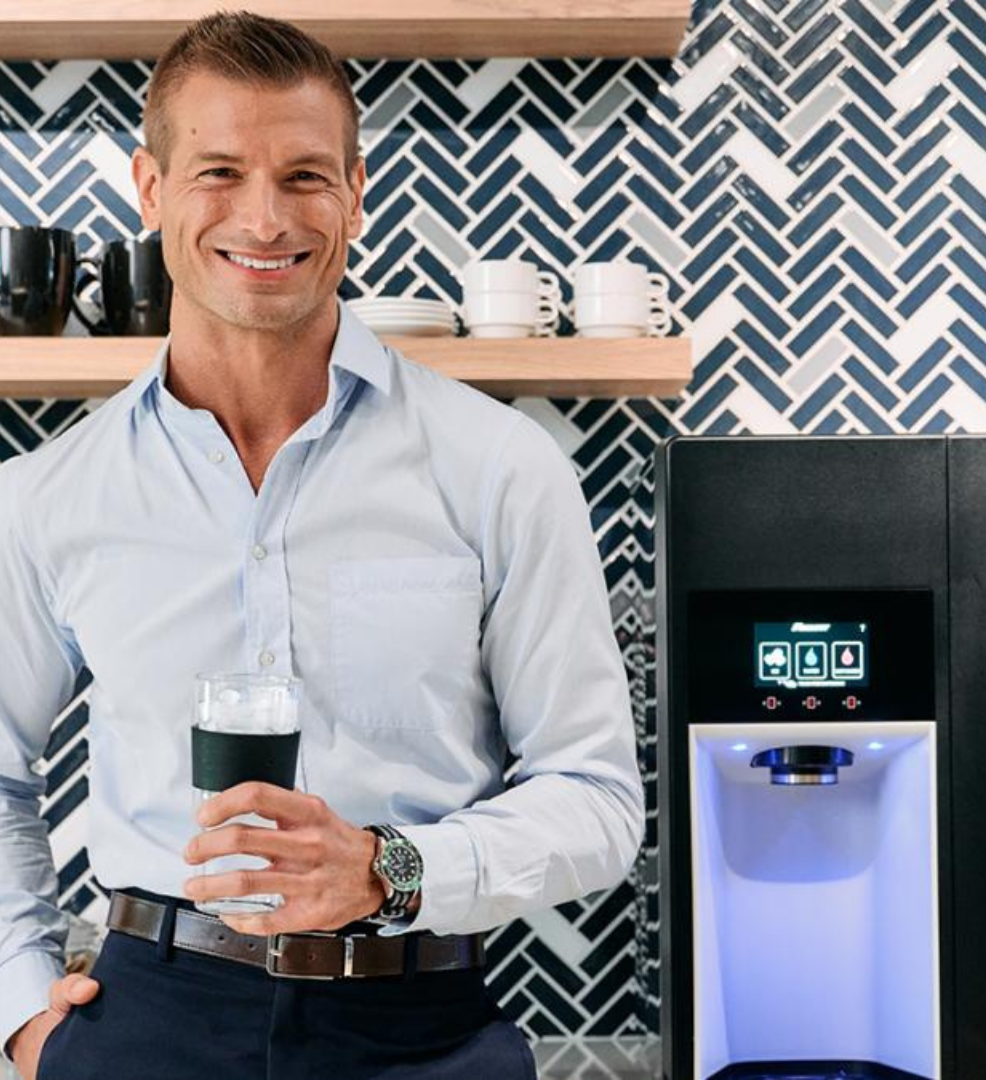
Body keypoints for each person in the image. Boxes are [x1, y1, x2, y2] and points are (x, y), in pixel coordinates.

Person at [0, 11, 644, 1079]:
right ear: (150, 189)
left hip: (426, 1029)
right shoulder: (46, 495)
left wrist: (388, 871)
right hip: (147, 1021)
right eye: (219, 172)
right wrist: (23, 1012)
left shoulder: (502, 467)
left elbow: (598, 799)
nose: (264, 218)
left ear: (354, 190)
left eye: (304, 176)